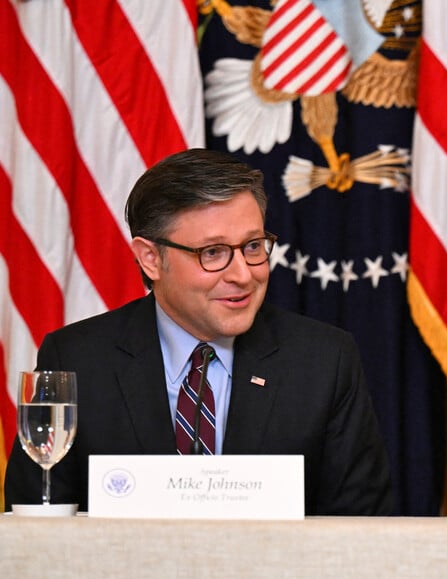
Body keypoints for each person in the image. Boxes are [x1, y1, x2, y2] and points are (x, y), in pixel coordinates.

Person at [4, 149, 394, 515]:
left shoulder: (324, 361)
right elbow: (37, 522)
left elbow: (362, 527)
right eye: (213, 253)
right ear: (151, 259)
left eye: (253, 246)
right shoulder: (77, 360)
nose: (243, 275)